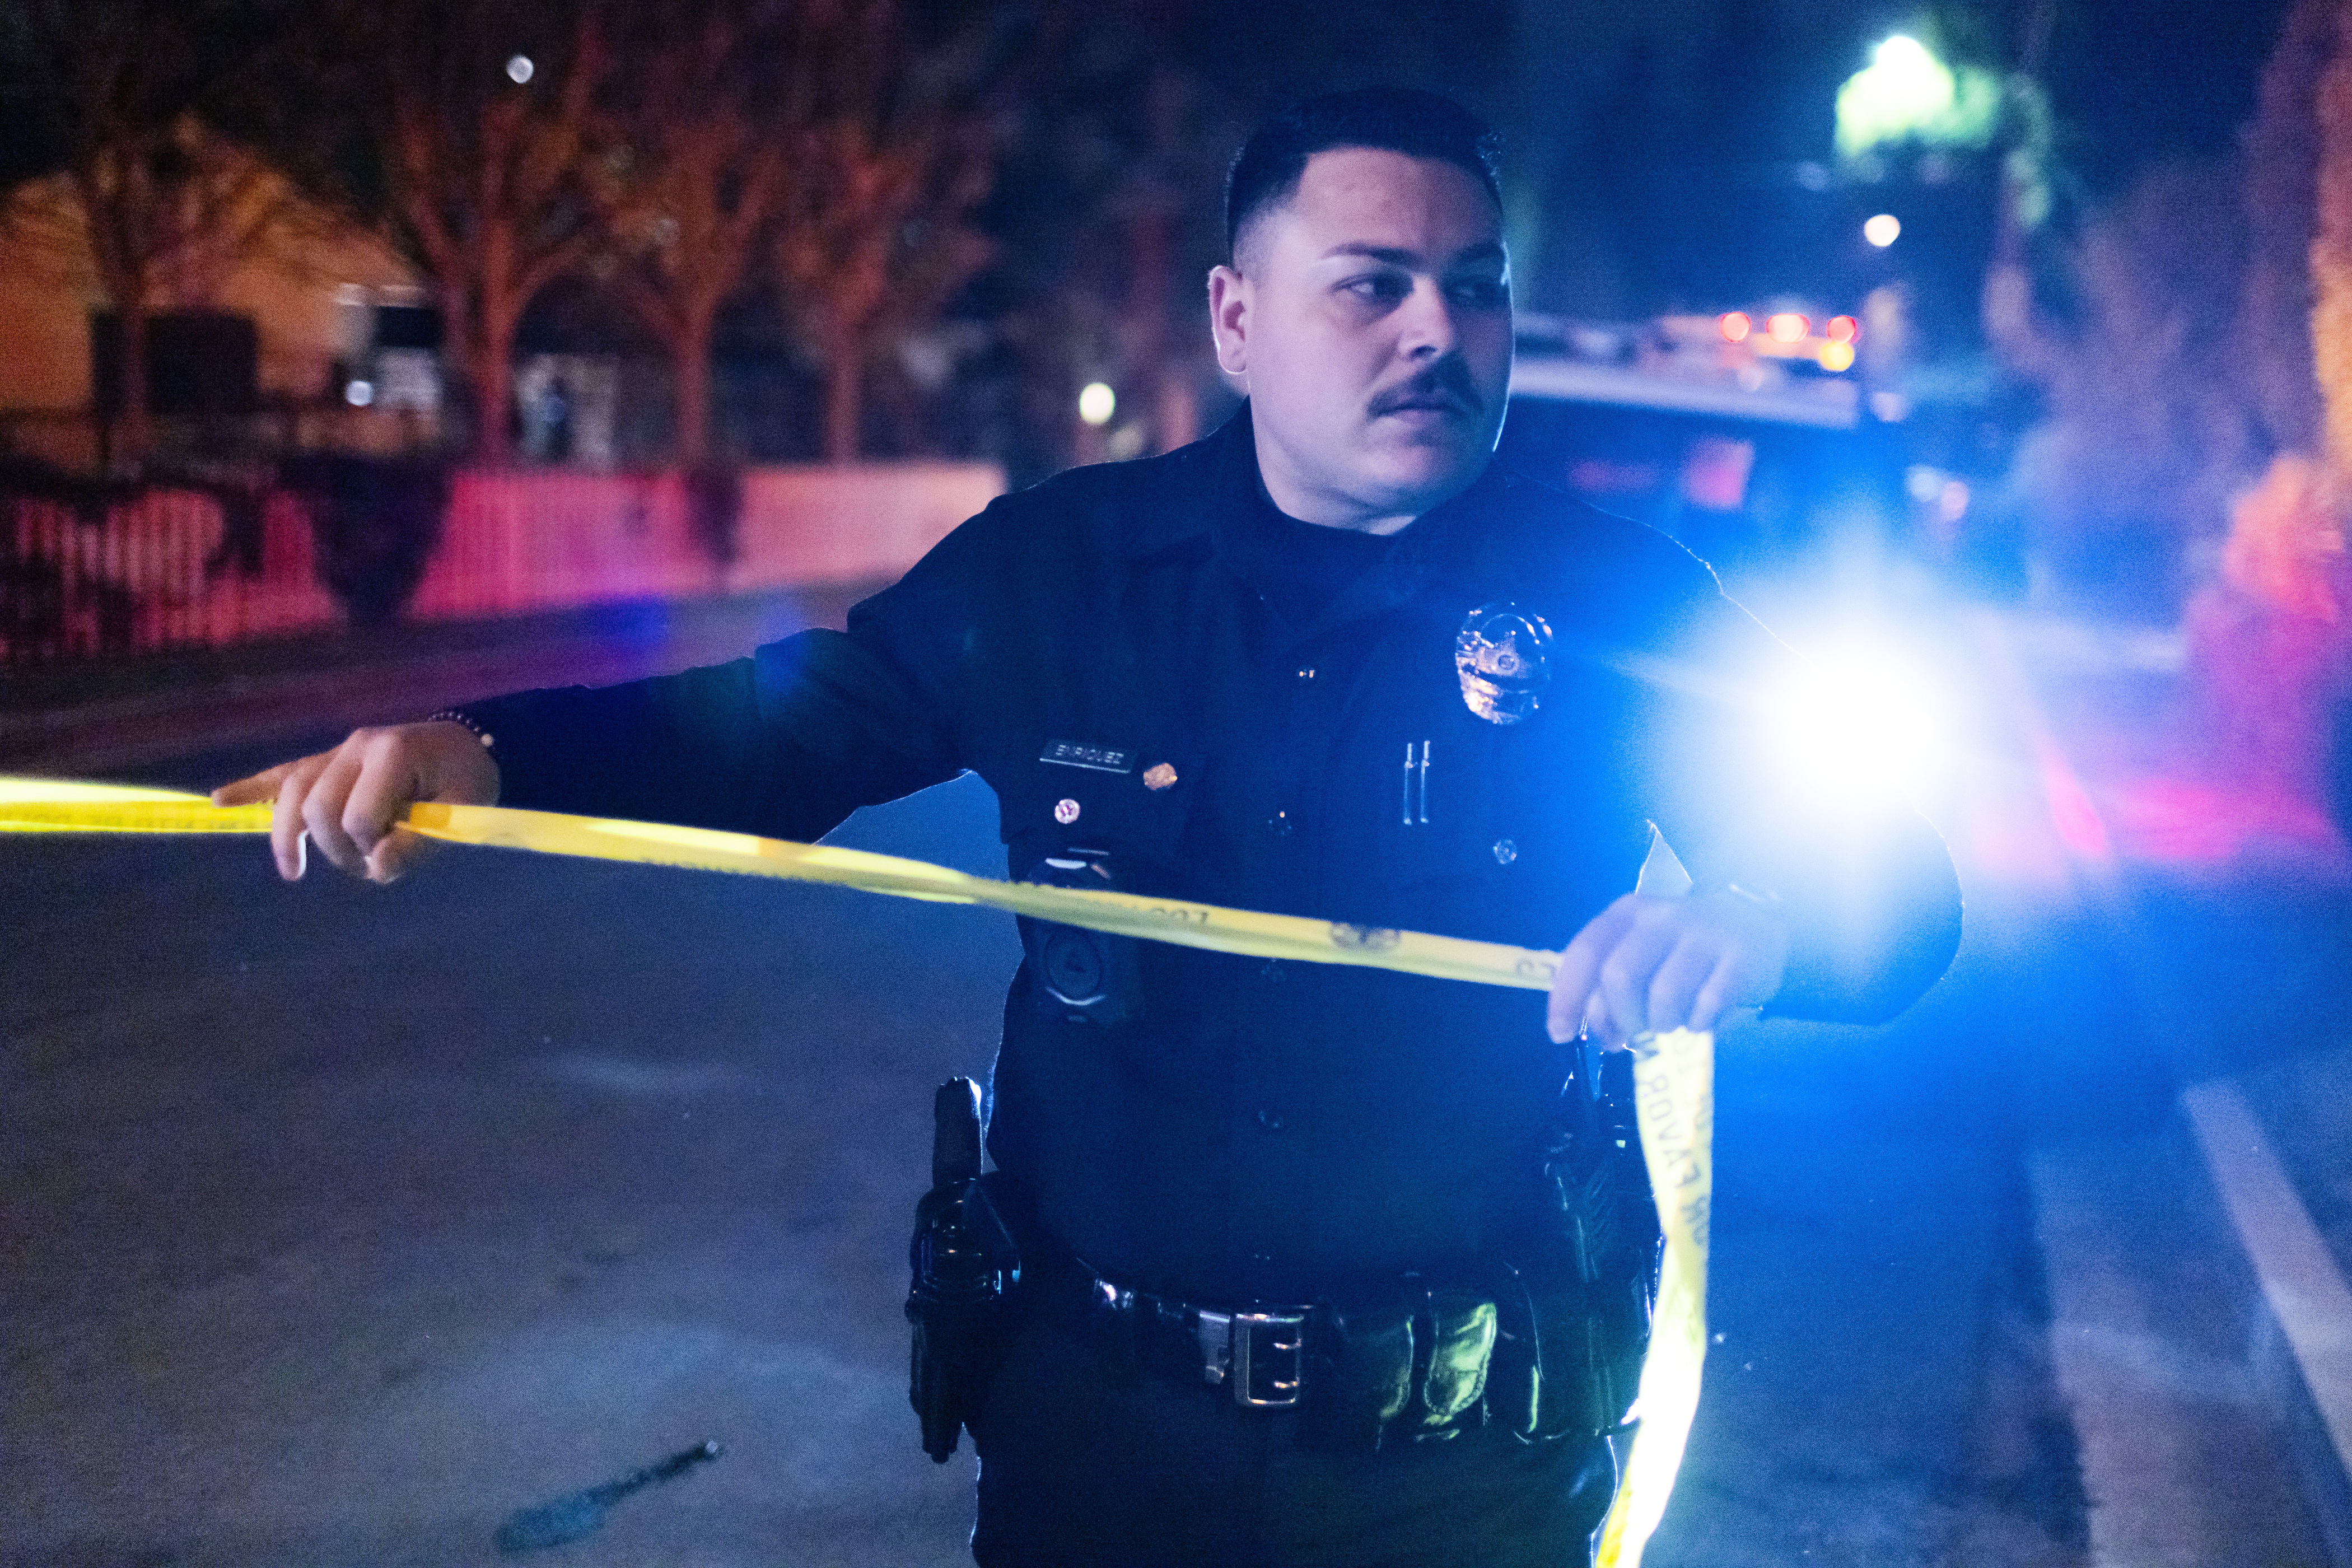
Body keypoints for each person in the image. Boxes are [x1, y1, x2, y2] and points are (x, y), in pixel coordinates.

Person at [219, 87, 1961, 1568]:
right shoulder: (1062, 573)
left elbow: (1903, 897)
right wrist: (475, 753)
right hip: (1106, 1447)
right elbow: (779, 732)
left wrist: (1769, 911)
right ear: (1237, 321)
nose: (1438, 330)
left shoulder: (1623, 603)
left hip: (1465, 1468)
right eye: (1372, 285)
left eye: (1473, 287)